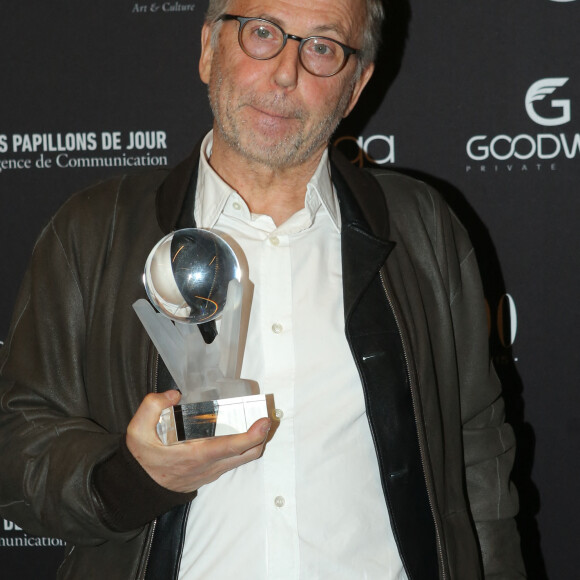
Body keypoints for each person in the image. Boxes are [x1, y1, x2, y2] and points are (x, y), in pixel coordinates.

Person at [0, 0, 526, 578]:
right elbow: (19, 442)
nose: (285, 72)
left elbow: (478, 448)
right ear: (208, 50)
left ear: (356, 86)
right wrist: (133, 478)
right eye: (261, 33)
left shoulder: (423, 229)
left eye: (323, 47)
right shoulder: (93, 232)